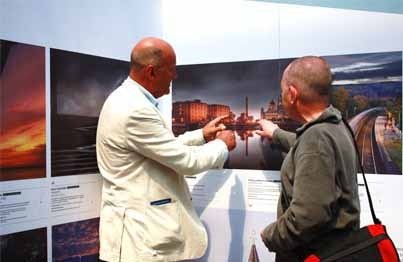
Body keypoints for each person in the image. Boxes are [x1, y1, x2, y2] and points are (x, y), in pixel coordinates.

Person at [96, 37, 236, 262]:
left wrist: (200, 135)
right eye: (172, 70)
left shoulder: (127, 101)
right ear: (151, 72)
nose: (175, 76)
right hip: (138, 245)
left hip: (138, 240)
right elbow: (186, 162)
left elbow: (161, 149)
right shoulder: (135, 110)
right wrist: (222, 145)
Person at [256, 56, 360, 261]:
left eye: (282, 91)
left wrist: (269, 235)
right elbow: (306, 148)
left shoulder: (316, 139)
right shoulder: (335, 125)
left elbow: (309, 216)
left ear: (292, 94)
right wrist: (276, 134)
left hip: (313, 254)